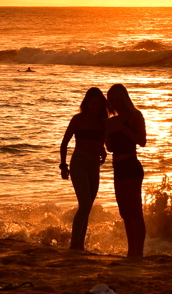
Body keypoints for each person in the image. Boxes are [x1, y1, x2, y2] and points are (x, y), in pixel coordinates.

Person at [59, 87, 108, 251]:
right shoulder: (78, 119)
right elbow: (64, 143)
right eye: (93, 104)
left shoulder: (102, 122)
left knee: (88, 207)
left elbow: (101, 143)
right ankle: (74, 244)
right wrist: (63, 166)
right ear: (86, 103)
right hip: (79, 161)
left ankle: (80, 245)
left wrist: (102, 151)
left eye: (99, 105)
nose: (95, 108)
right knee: (85, 204)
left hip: (94, 164)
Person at [106, 83, 147, 259]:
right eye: (112, 101)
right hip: (117, 167)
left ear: (124, 98)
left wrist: (123, 128)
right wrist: (106, 131)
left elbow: (142, 141)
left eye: (117, 99)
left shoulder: (134, 115)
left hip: (131, 165)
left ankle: (139, 252)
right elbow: (110, 148)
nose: (115, 103)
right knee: (124, 212)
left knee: (135, 211)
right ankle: (132, 251)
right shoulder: (112, 120)